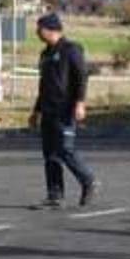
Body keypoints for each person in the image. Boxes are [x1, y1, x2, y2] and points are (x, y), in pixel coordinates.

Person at [28, 13, 98, 210]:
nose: (37, 32)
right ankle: (55, 195)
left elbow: (82, 76)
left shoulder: (71, 50)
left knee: (65, 149)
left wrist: (80, 102)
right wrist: (36, 111)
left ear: (51, 29)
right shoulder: (45, 54)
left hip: (65, 109)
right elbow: (44, 85)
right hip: (49, 110)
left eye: (39, 28)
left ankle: (88, 180)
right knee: (50, 154)